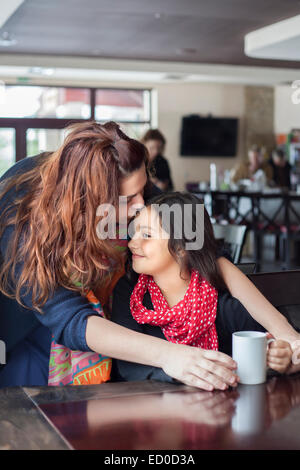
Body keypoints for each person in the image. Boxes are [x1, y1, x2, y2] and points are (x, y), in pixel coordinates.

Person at [0, 121, 298, 389]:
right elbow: (70, 320)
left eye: (143, 190)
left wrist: (289, 336)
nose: (141, 205)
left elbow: (198, 249)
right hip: (34, 332)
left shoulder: (127, 174)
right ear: (88, 199)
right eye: (128, 200)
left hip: (111, 326)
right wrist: (172, 356)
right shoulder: (23, 210)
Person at [111, 192, 298, 385]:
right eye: (134, 232)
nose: (132, 243)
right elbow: (129, 368)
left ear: (181, 247)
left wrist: (279, 358)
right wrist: (184, 371)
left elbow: (269, 346)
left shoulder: (220, 305)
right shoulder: (130, 294)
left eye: (147, 235)